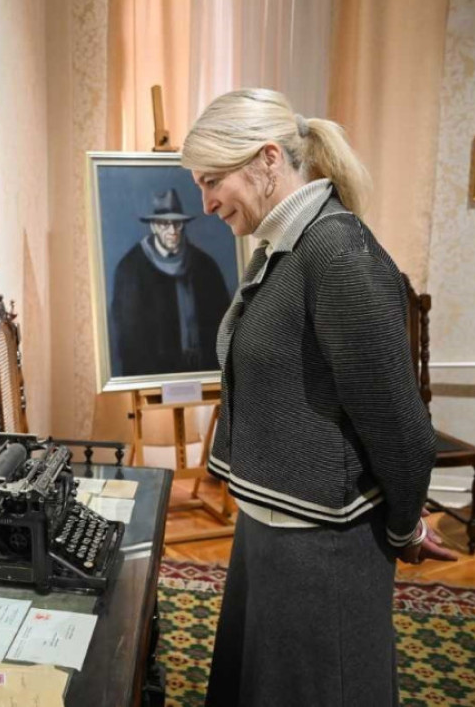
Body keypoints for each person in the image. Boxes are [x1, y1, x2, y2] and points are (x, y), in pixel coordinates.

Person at [180, 88, 456, 707]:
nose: (206, 203)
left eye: (212, 181)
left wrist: (406, 526)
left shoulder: (337, 253)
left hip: (321, 545)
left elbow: (402, 429)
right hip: (273, 526)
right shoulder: (286, 246)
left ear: (268, 159)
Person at [110, 188, 230, 376]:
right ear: (153, 227)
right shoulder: (130, 270)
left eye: (177, 224)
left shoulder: (205, 266)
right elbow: (129, 338)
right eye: (164, 224)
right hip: (153, 375)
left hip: (204, 373)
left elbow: (223, 324)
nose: (172, 231)